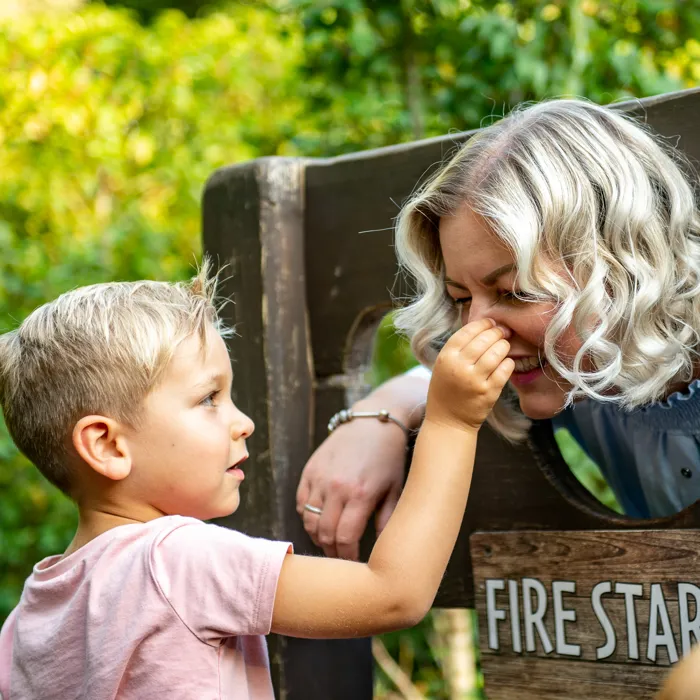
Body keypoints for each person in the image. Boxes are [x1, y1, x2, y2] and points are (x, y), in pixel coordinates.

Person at [0, 260, 513, 699]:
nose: (243, 421)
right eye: (208, 399)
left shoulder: (31, 614)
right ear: (108, 446)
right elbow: (394, 593)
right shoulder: (176, 560)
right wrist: (451, 420)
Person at [297, 97, 700, 563]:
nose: (474, 332)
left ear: (625, 269)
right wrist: (378, 416)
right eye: (462, 299)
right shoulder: (572, 374)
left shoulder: (580, 358)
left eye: (514, 292)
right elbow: (446, 375)